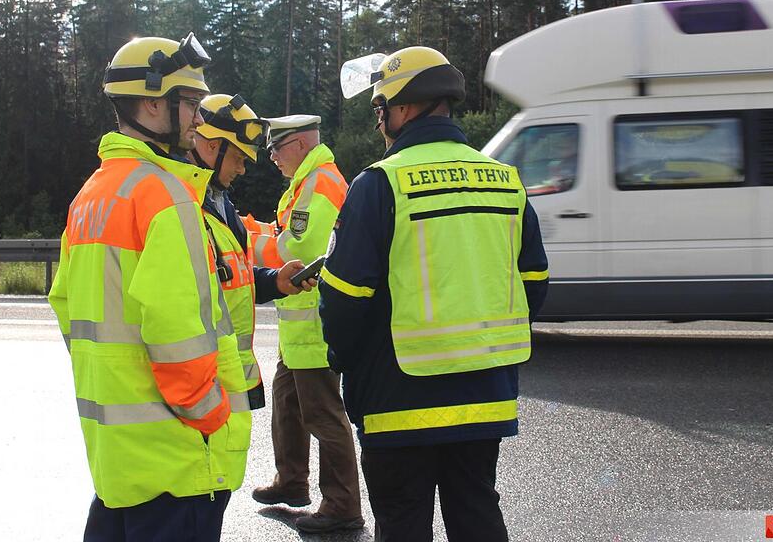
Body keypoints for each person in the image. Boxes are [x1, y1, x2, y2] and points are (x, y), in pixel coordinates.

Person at [318, 46, 549, 542]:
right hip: (485, 398)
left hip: (398, 396)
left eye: (380, 109)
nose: (380, 121)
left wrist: (348, 362)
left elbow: (343, 298)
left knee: (402, 525)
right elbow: (534, 282)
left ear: (404, 107)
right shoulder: (506, 180)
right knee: (478, 515)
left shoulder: (381, 183)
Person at [48, 34, 251, 542]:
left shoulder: (91, 195)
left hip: (117, 456)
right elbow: (176, 329)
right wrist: (212, 418)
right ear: (153, 104)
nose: (198, 119)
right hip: (175, 456)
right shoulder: (166, 196)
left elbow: (67, 309)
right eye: (189, 103)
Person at [249, 114, 364, 534]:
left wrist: (246, 242)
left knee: (322, 414)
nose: (272, 157)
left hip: (314, 320)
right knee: (286, 400)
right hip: (300, 322)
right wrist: (259, 231)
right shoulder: (308, 183)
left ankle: (343, 504)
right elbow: (286, 235)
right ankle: (292, 481)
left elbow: (298, 249)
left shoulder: (319, 183)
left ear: (298, 144)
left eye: (276, 148)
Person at [189, 93, 315, 412]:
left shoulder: (220, 204)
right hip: (201, 388)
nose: (243, 170)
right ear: (212, 145)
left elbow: (230, 280)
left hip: (229, 383)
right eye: (239, 158)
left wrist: (276, 282)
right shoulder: (181, 208)